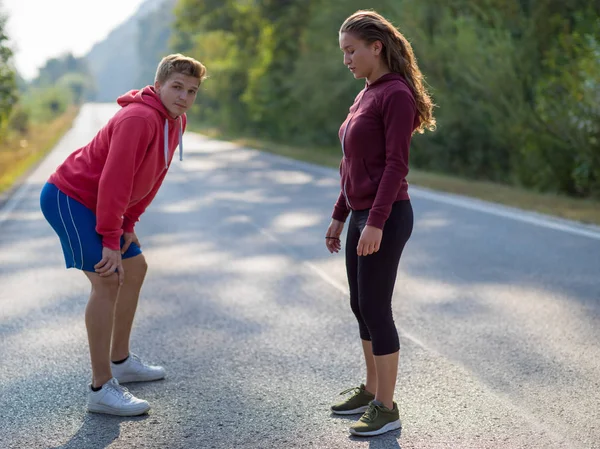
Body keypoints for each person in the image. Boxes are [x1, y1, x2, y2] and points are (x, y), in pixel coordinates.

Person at [40, 54, 207, 416]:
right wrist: (110, 239)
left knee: (136, 268)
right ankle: (101, 388)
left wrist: (129, 224)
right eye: (176, 87)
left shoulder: (175, 121)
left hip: (98, 202)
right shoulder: (139, 118)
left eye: (191, 91)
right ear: (159, 84)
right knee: (108, 278)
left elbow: (152, 175)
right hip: (70, 198)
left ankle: (121, 361)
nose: (183, 96)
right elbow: (115, 180)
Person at [325, 10, 436, 436]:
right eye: (343, 52)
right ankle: (372, 391)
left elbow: (394, 166)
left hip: (385, 217)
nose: (347, 59)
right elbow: (351, 164)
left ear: (377, 47)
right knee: (359, 306)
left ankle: (387, 408)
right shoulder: (365, 93)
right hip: (361, 215)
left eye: (351, 50)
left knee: (375, 306)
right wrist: (340, 215)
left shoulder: (396, 95)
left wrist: (374, 221)